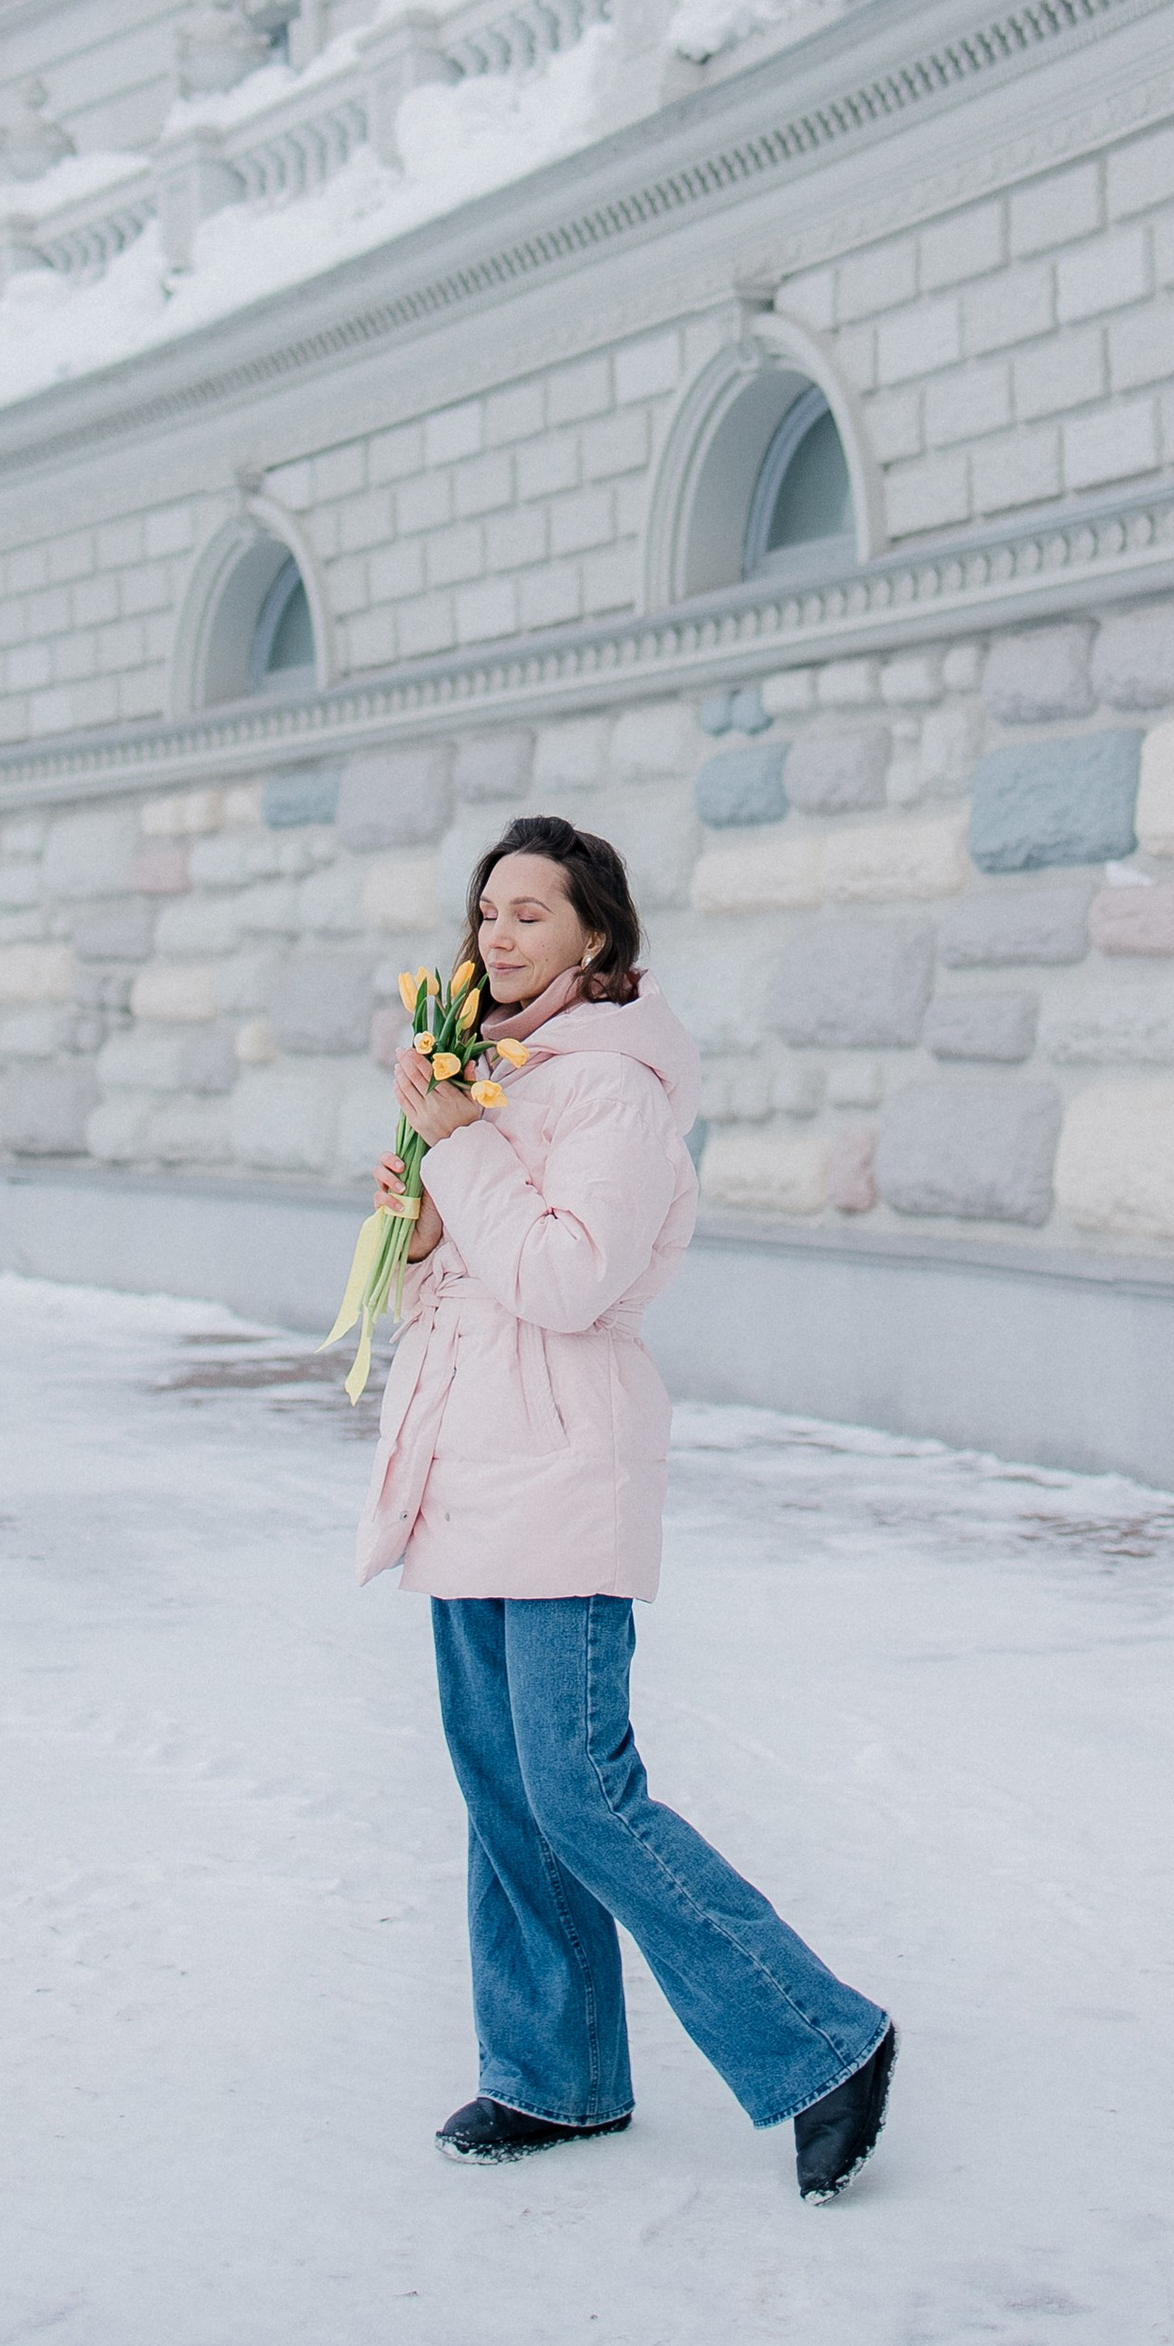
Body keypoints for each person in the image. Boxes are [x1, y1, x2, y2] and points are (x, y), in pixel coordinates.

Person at [360, 810, 896, 2204]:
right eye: (487, 912)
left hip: (559, 1463)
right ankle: (559, 2077)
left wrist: (463, 1153)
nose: (498, 934)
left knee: (580, 1792)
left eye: (529, 912)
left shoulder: (613, 1094)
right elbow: (471, 1281)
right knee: (502, 1795)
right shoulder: (497, 1071)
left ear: (596, 932)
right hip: (469, 1463)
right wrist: (418, 1221)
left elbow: (569, 1281)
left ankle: (823, 2040)